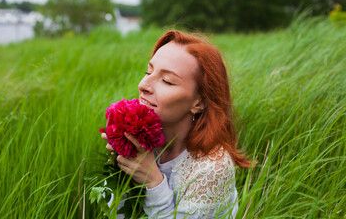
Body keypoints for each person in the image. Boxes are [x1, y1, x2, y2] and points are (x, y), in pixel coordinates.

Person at [102, 30, 253, 218]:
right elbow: (112, 213)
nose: (143, 84)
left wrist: (153, 182)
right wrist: (118, 160)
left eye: (167, 81)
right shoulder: (138, 139)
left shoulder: (212, 167)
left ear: (199, 103)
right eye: (148, 72)